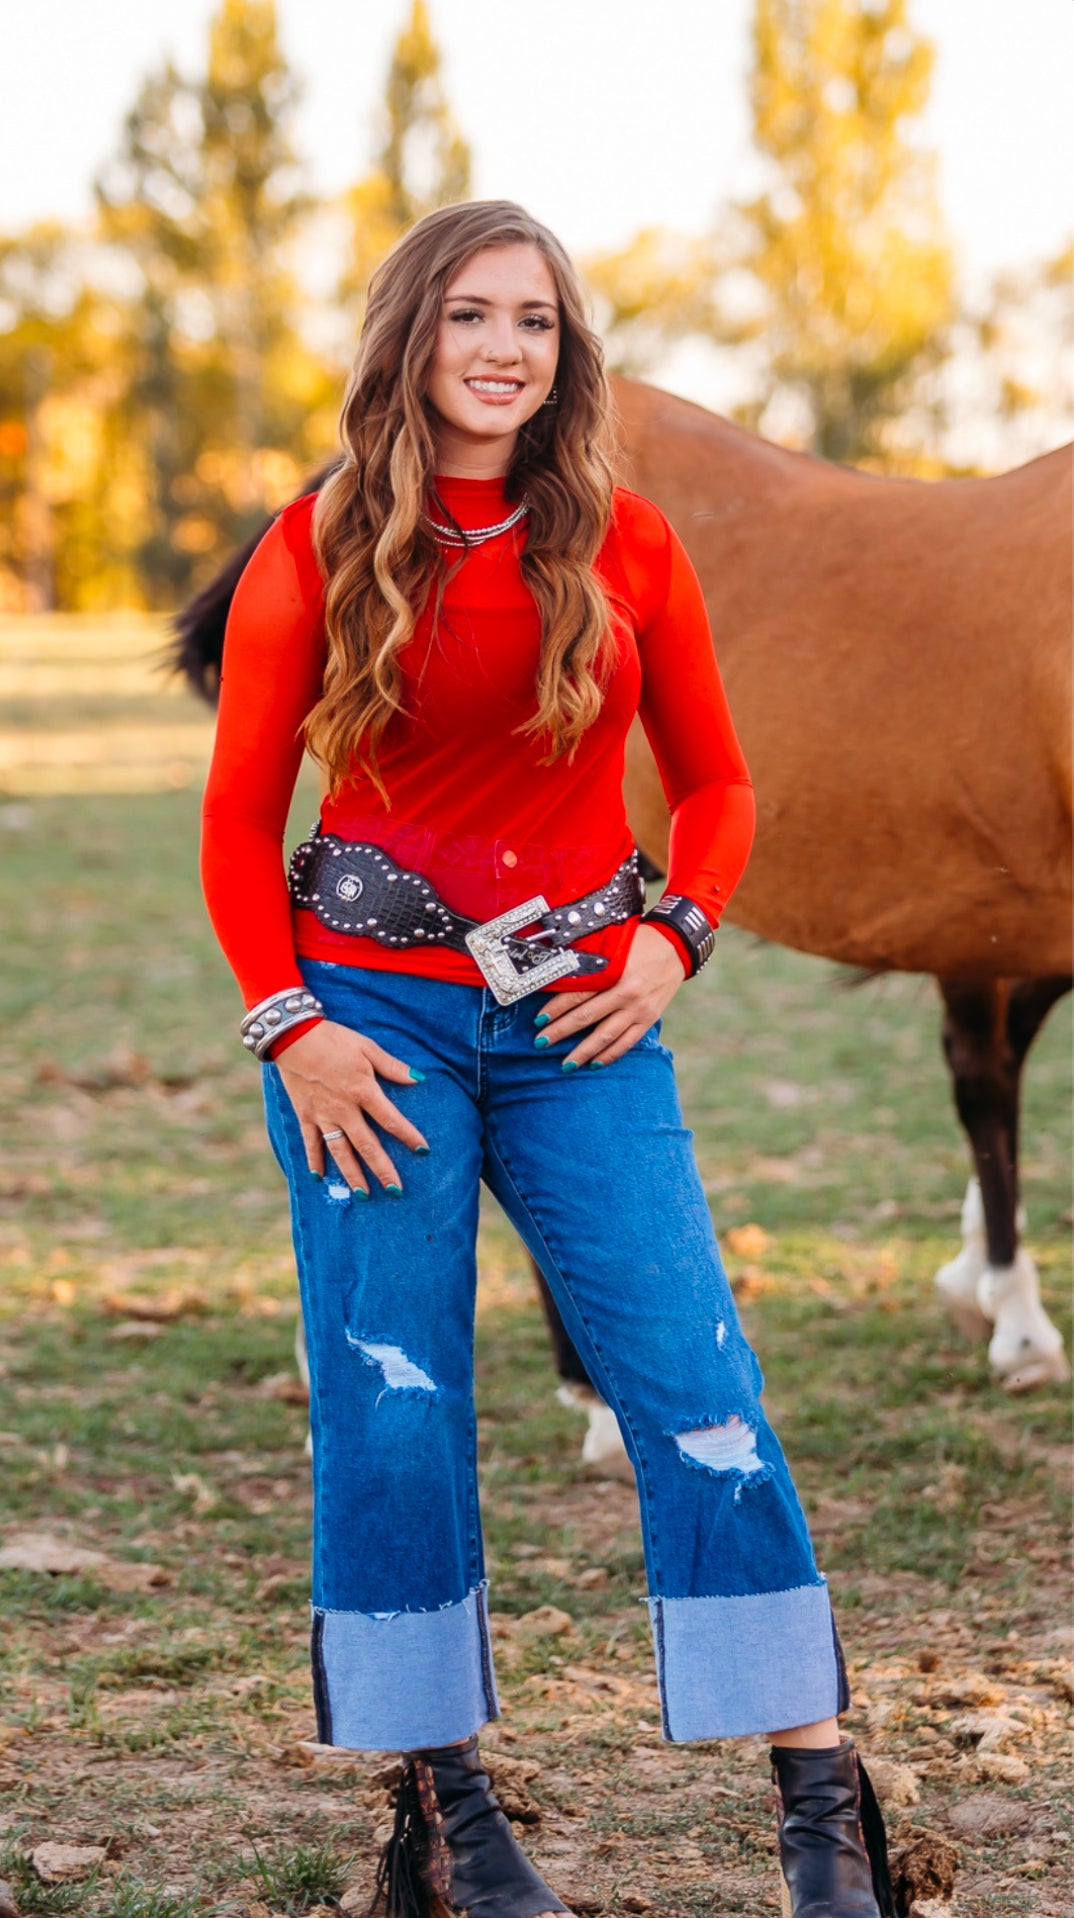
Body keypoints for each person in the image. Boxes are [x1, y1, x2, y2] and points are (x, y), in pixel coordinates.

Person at [200, 200, 893, 1918]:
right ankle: (447, 1823)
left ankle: (822, 1809)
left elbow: (718, 784)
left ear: (564, 348)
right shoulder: (320, 540)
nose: (505, 350)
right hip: (373, 1035)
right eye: (468, 318)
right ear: (408, 342)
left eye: (535, 320)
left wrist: (676, 933)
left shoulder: (629, 545)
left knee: (693, 1383)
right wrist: (293, 1030)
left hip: (583, 1024)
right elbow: (235, 821)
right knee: (391, 1415)